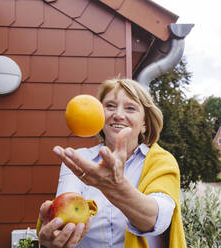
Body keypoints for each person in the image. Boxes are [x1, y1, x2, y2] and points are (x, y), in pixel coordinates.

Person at [38, 78, 186, 248]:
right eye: (109, 106)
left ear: (144, 123)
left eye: (130, 108)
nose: (118, 115)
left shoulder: (161, 162)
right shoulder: (78, 161)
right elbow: (63, 219)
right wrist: (53, 238)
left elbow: (156, 219)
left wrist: (115, 187)